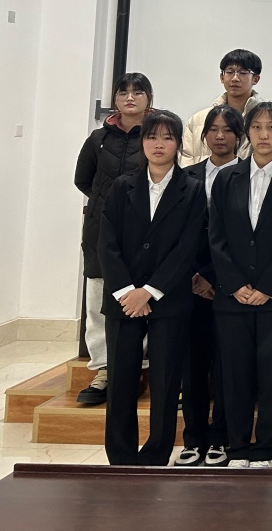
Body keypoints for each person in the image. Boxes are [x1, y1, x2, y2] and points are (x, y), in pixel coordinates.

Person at [97, 109, 205, 466]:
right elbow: (106, 243)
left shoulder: (192, 190)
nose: (159, 144)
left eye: (167, 138)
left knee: (165, 381)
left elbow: (187, 248)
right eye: (152, 137)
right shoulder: (121, 186)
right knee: (121, 380)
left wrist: (151, 290)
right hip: (123, 300)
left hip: (168, 299)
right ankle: (121, 457)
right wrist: (127, 291)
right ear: (142, 142)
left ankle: (156, 454)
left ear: (179, 144)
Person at [207, 101, 272, 467]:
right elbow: (216, 237)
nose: (264, 134)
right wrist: (234, 283)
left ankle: (264, 448)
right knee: (234, 376)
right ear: (247, 133)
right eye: (257, 127)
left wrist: (270, 286)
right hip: (233, 297)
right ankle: (237, 447)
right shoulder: (227, 178)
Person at [73, 72, 153, 406]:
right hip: (100, 230)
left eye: (138, 92)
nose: (130, 97)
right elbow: (83, 180)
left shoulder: (157, 134)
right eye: (123, 92)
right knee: (98, 301)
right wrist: (108, 206)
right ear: (115, 99)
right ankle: (104, 370)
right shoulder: (98, 139)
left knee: (140, 299)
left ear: (149, 98)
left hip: (143, 231)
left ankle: (137, 368)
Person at [174, 104, 244, 467]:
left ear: (239, 137)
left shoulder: (248, 175)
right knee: (193, 367)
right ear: (203, 136)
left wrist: (215, 277)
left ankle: (221, 437)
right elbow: (178, 233)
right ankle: (193, 438)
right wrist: (193, 276)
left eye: (228, 130)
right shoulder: (186, 176)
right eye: (213, 130)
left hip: (229, 285)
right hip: (190, 285)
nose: (220, 136)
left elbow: (243, 238)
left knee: (227, 367)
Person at [182, 49, 263, 166]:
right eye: (230, 72)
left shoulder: (264, 121)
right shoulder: (198, 120)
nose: (235, 78)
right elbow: (186, 160)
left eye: (243, 72)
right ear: (222, 77)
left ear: (255, 79)